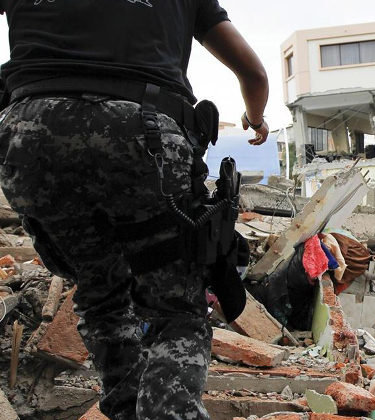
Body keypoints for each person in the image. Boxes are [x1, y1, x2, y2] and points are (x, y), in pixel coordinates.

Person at [0, 3, 269, 419]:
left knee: (99, 290)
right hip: (143, 136)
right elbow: (253, 74)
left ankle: (126, 408)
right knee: (176, 308)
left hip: (32, 137)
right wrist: (255, 119)